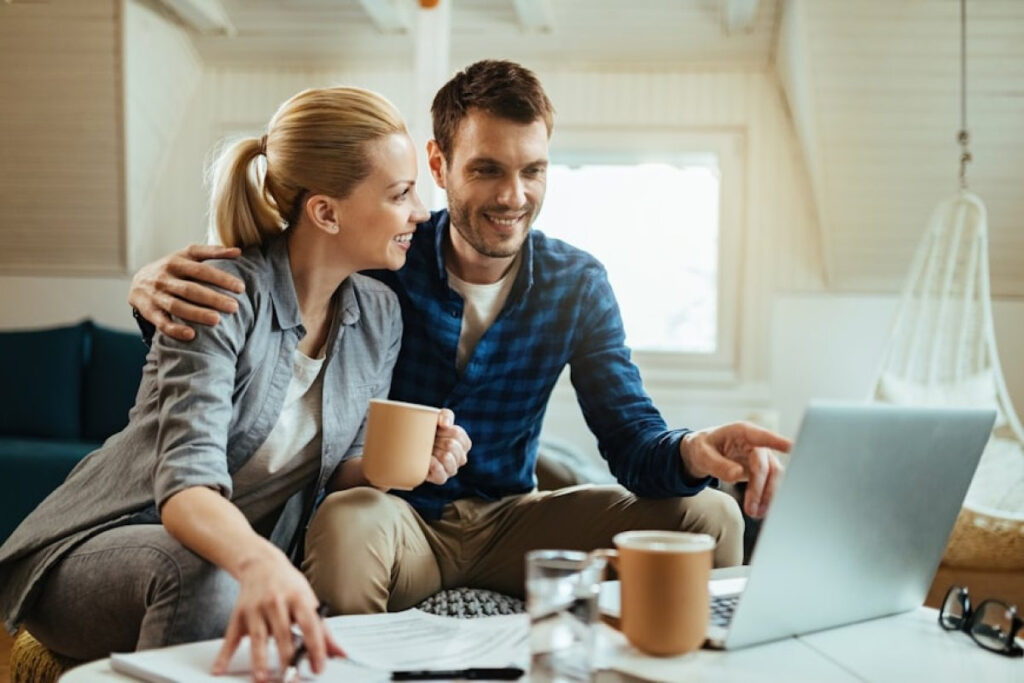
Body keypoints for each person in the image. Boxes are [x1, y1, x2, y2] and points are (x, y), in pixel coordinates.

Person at [129, 60, 792, 615]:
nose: (514, 195)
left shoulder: (577, 282)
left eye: (533, 170)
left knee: (710, 517)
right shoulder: (384, 251)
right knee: (346, 517)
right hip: (395, 516)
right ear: (438, 163)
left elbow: (630, 440)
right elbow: (278, 288)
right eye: (488, 170)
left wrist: (698, 449)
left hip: (512, 520)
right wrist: (152, 286)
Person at [0, 85, 464, 682]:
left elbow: (337, 466)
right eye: (401, 194)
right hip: (103, 546)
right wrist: (260, 562)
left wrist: (406, 457)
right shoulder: (217, 293)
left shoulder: (379, 314)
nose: (421, 213)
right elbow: (186, 489)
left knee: (219, 576)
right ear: (325, 211)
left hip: (223, 556)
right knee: (204, 574)